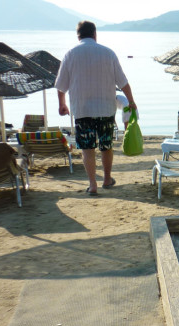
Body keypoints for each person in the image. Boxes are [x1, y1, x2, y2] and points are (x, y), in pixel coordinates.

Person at [55, 20, 137, 196]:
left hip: (82, 110)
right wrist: (131, 101)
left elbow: (61, 86)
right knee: (106, 146)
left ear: (78, 36)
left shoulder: (70, 54)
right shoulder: (108, 53)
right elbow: (123, 82)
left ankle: (92, 185)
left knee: (87, 149)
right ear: (94, 34)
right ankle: (106, 179)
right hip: (106, 109)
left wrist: (62, 104)